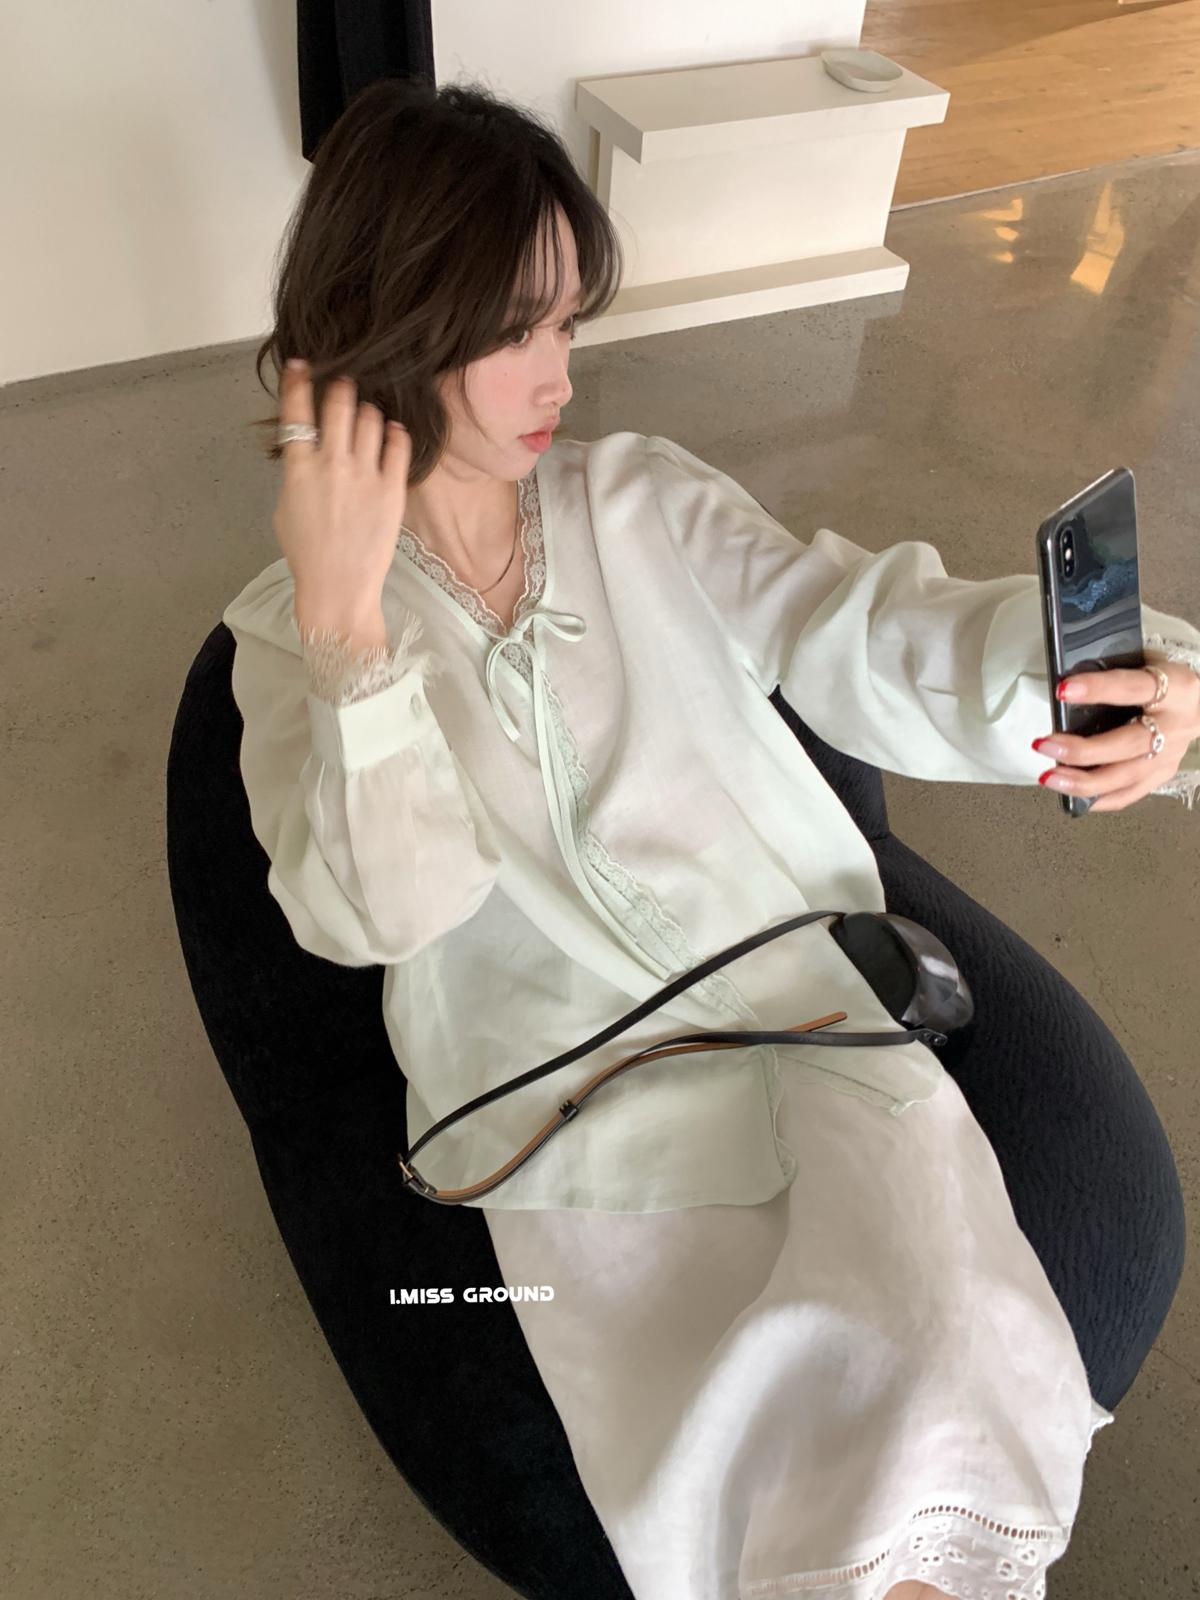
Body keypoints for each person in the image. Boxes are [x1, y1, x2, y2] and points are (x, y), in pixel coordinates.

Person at [224, 75, 1200, 1600]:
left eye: (568, 321)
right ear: (396, 324)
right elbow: (382, 911)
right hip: (582, 1135)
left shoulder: (640, 503)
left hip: (814, 1030)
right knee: (751, 1466)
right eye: (516, 330)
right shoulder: (291, 641)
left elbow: (856, 629)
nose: (561, 372)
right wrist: (352, 633)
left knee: (938, 1344)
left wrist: (1102, 676)